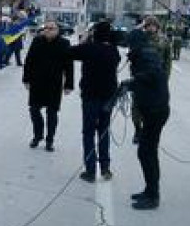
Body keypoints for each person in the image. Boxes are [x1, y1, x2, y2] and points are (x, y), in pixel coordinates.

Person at [67, 21, 120, 181]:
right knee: (103, 131)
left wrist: (84, 39)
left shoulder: (89, 48)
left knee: (89, 132)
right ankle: (105, 168)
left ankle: (90, 171)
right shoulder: (113, 50)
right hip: (108, 96)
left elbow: (69, 52)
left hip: (90, 96)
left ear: (94, 33)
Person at [124, 28, 170, 210]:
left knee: (147, 153)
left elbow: (154, 75)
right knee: (146, 152)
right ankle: (149, 190)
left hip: (155, 110)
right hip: (151, 107)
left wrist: (134, 82)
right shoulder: (143, 53)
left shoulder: (147, 55)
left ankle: (153, 195)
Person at [22, 19, 72, 151]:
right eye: (46, 28)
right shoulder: (37, 41)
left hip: (54, 84)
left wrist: (68, 85)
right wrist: (26, 79)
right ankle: (37, 135)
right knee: (34, 110)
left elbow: (69, 66)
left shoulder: (64, 43)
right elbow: (29, 61)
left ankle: (50, 140)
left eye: (51, 28)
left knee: (52, 112)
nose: (48, 31)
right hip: (37, 82)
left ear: (57, 30)